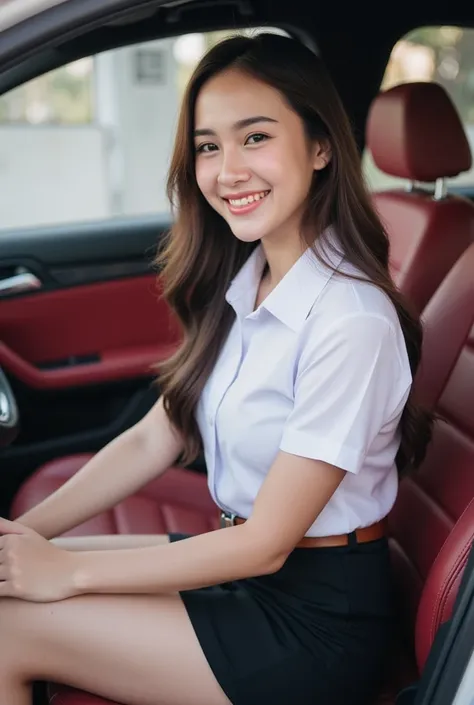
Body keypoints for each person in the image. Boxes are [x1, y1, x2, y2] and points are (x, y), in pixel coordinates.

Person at [0, 32, 432, 705]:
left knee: (7, 626)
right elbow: (155, 436)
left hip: (313, 624)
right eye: (208, 146)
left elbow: (265, 543)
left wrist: (68, 574)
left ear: (320, 146)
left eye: (254, 137)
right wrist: (28, 537)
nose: (226, 170)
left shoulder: (350, 321)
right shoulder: (251, 280)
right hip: (249, 573)